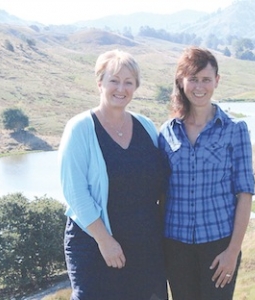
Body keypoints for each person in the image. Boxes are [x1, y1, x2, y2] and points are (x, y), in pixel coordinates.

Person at [58, 49, 169, 300]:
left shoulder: (146, 126)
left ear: (136, 87)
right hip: (95, 245)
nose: (121, 88)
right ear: (100, 83)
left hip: (145, 246)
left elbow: (160, 179)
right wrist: (104, 240)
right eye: (114, 80)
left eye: (128, 82)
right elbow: (75, 192)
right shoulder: (80, 128)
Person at [158, 46, 255, 300]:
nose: (199, 87)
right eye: (193, 79)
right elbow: (160, 193)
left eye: (206, 80)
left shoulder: (235, 129)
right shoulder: (166, 132)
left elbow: (245, 193)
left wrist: (233, 252)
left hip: (219, 246)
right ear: (182, 81)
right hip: (175, 247)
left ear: (217, 81)